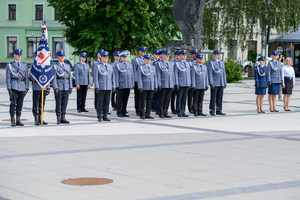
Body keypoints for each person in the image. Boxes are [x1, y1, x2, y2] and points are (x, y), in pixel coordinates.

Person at [6, 49, 29, 126]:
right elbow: (8, 78)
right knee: (13, 104)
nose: (19, 56)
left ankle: (18, 120)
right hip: (14, 86)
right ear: (14, 55)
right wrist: (9, 89)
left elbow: (26, 77)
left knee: (20, 104)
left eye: (20, 55)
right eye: (17, 55)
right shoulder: (10, 65)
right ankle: (13, 120)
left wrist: (27, 87)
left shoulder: (24, 65)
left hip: (22, 86)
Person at [52, 50, 72, 124]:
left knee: (65, 103)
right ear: (58, 57)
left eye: (63, 56)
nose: (62, 57)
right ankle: (58, 117)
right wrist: (55, 87)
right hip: (59, 87)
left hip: (66, 86)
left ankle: (63, 117)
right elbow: (54, 78)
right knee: (58, 103)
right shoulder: (55, 66)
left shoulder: (67, 66)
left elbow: (69, 77)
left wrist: (70, 87)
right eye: (60, 56)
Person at [94, 51, 115, 121]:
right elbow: (96, 77)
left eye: (106, 57)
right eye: (104, 57)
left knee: (107, 101)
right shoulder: (98, 66)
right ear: (101, 58)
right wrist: (96, 86)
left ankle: (105, 115)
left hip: (108, 86)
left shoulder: (110, 66)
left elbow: (113, 77)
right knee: (100, 102)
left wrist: (113, 86)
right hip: (101, 86)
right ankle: (99, 115)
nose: (105, 58)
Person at [137, 54, 157, 119]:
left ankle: (148, 113)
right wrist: (140, 86)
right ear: (144, 60)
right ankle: (141, 114)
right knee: (142, 101)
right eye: (147, 59)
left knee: (149, 101)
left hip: (151, 86)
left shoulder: (153, 67)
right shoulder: (141, 67)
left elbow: (155, 77)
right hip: (144, 87)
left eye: (149, 59)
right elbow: (139, 78)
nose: (148, 60)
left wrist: (155, 86)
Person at [115, 51, 134, 117]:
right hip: (121, 85)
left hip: (127, 85)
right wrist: (117, 85)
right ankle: (119, 112)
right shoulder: (117, 65)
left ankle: (124, 111)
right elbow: (116, 76)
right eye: (123, 57)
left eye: (125, 57)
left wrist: (131, 84)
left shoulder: (129, 64)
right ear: (120, 57)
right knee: (120, 99)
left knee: (125, 99)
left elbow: (131, 75)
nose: (125, 58)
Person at [207, 50, 227, 116]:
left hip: (221, 82)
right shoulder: (211, 63)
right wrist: (211, 83)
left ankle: (219, 110)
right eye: (217, 54)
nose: (219, 55)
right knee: (213, 97)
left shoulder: (222, 62)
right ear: (214, 55)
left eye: (219, 54)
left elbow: (223, 73)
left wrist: (224, 82)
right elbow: (210, 74)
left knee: (220, 97)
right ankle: (212, 110)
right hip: (215, 83)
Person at [157, 50, 175, 118]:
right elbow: (158, 75)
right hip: (163, 84)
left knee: (167, 99)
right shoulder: (159, 63)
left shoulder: (170, 63)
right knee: (161, 99)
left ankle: (165, 111)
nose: (167, 57)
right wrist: (159, 84)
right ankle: (160, 112)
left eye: (168, 55)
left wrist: (173, 83)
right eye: (166, 55)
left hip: (169, 84)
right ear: (163, 56)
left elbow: (172, 74)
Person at [174, 50, 191, 117]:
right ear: (180, 56)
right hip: (180, 83)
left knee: (184, 98)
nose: (184, 56)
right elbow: (176, 74)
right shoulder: (177, 64)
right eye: (182, 55)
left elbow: (189, 74)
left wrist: (189, 83)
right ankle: (179, 111)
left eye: (185, 55)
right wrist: (176, 83)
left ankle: (183, 111)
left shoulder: (187, 63)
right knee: (179, 98)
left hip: (186, 83)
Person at [132, 46, 147, 115]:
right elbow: (134, 70)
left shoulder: (146, 59)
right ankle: (137, 109)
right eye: (143, 51)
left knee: (143, 96)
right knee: (138, 96)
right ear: (139, 52)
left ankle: (142, 108)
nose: (144, 52)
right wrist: (135, 80)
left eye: (145, 51)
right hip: (138, 80)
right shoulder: (136, 60)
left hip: (145, 81)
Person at [188, 49, 198, 114]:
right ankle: (190, 108)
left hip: (197, 82)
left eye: (196, 54)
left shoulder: (199, 62)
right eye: (194, 54)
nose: (196, 55)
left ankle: (195, 108)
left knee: (196, 96)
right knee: (190, 96)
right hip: (191, 82)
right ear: (192, 55)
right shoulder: (189, 63)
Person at [171, 50, 180, 114]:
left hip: (180, 82)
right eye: (178, 55)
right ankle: (173, 108)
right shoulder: (173, 63)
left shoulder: (182, 62)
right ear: (176, 56)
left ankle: (178, 108)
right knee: (173, 97)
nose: (179, 56)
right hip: (174, 82)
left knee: (179, 96)